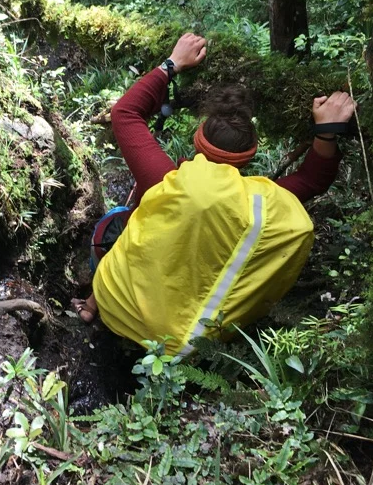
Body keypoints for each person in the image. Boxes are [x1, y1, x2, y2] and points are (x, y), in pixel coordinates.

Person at [72, 33, 356, 355]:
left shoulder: (165, 179)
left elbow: (125, 113)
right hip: (181, 345)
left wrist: (172, 64)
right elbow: (311, 180)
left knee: (116, 221)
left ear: (198, 139)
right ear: (249, 155)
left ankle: (92, 304)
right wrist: (326, 132)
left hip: (116, 306)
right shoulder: (262, 201)